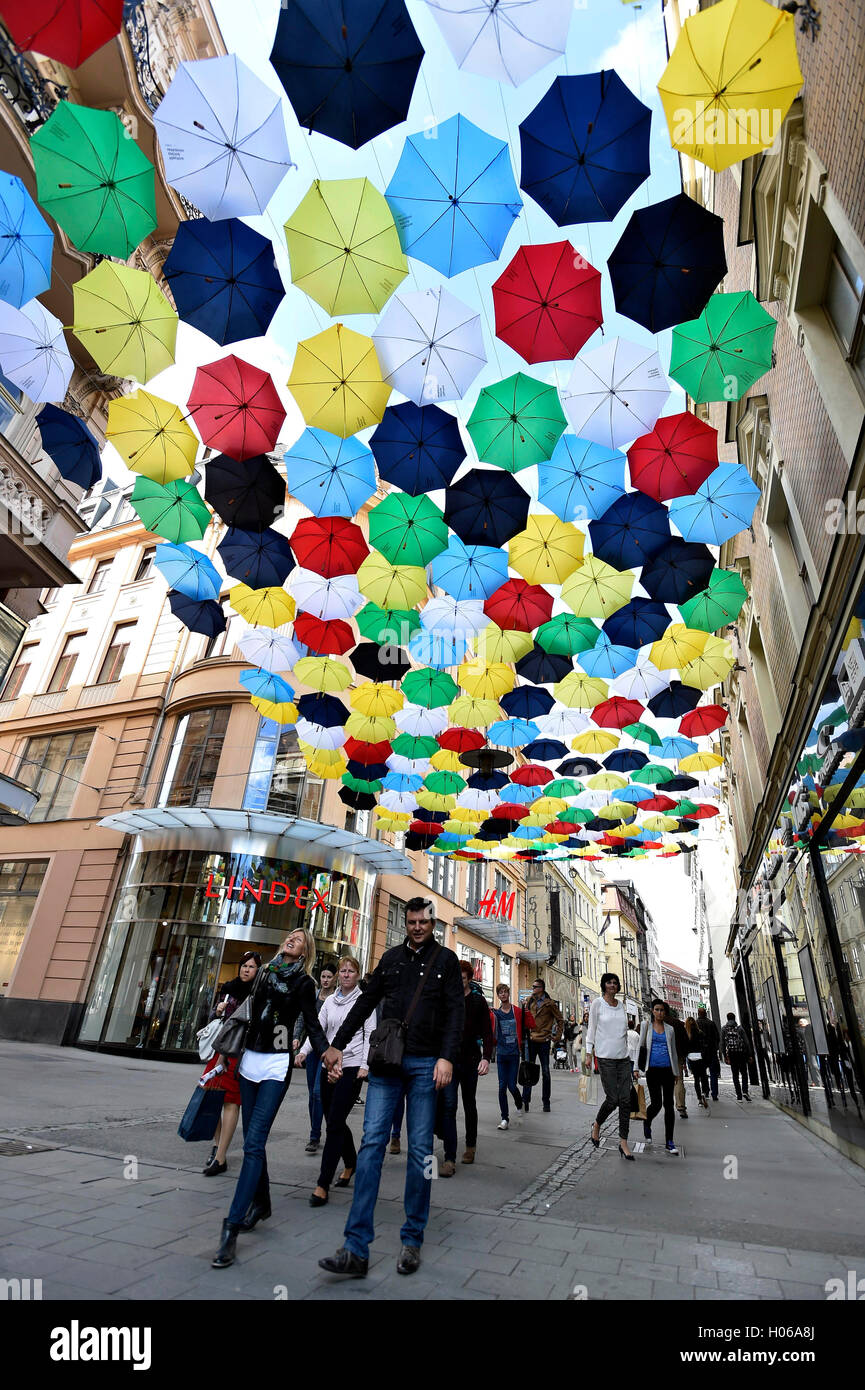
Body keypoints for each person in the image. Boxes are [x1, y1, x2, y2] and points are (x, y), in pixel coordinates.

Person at [318, 897, 464, 1279]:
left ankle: (412, 1238)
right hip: (386, 1064)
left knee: (419, 1150)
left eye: (423, 922)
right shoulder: (391, 959)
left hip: (423, 1064)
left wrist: (447, 1057)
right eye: (412, 921)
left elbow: (455, 1014)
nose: (417, 927)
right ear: (405, 922)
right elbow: (365, 1003)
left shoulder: (445, 961)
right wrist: (337, 1044)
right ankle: (355, 1248)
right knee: (370, 1147)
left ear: (433, 924)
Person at [211, 928, 329, 1270]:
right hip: (249, 1059)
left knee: (253, 1143)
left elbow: (311, 1023)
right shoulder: (265, 973)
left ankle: (230, 1227)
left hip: (277, 1064)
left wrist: (327, 1055)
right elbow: (243, 1007)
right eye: (290, 935)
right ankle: (261, 1203)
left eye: (299, 937)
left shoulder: (304, 984)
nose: (292, 938)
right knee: (253, 1142)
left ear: (305, 950)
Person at [298, 956, 370, 1208]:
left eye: (351, 971)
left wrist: (364, 1065)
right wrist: (304, 1052)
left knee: (335, 1122)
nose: (347, 975)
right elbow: (317, 1029)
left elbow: (370, 1034)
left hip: (351, 1068)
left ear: (358, 974)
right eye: (343, 971)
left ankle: (322, 1184)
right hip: (329, 1063)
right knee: (334, 1120)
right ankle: (351, 1162)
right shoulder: (330, 1000)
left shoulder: (364, 1001)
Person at [200, 952, 261, 1176]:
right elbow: (216, 1016)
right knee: (211, 1096)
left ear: (258, 970)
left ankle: (221, 1156)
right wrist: (216, 1012)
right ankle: (217, 1145)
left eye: (252, 966)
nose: (246, 969)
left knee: (231, 1102)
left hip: (240, 1051)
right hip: (220, 1049)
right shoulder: (228, 987)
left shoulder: (257, 992)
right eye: (244, 965)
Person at [440, 961, 493, 1172]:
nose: (458, 981)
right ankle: (449, 1157)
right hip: (450, 1060)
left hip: (471, 1060)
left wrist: (486, 1058)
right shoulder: (446, 1000)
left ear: (469, 979)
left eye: (461, 978)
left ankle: (470, 1145)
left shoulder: (478, 1002)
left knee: (469, 1103)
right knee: (449, 1106)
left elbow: (488, 1033)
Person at [586, 973, 634, 1159]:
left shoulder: (621, 1006)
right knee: (612, 1099)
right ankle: (597, 1124)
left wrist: (633, 1060)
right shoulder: (598, 1003)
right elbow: (591, 1028)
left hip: (623, 1057)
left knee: (626, 1101)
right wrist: (588, 1053)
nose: (612, 985)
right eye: (609, 982)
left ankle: (623, 1142)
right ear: (604, 985)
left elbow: (624, 1032)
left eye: (615, 983)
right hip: (605, 1057)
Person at [294, 963, 336, 1155]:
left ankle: (314, 1135)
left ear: (334, 978)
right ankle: (316, 1131)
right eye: (323, 976)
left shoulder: (337, 998)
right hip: (311, 1050)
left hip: (328, 1051)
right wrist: (296, 1036)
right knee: (312, 1093)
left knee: (319, 1093)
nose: (325, 980)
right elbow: (303, 1017)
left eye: (329, 976)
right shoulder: (314, 995)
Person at [637, 1000, 681, 1154]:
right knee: (656, 1104)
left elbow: (674, 1051)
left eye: (662, 1010)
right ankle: (647, 1121)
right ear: (652, 1011)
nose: (660, 1013)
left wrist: (676, 1071)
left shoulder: (670, 1029)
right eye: (657, 1010)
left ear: (665, 1012)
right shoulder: (646, 1026)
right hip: (653, 1070)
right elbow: (640, 1047)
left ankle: (670, 1141)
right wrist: (636, 1067)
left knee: (669, 1105)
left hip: (668, 1070)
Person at [490, 982, 532, 1129]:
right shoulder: (496, 1013)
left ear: (508, 993)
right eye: (500, 992)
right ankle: (504, 1119)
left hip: (514, 1053)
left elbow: (531, 1024)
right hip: (501, 1054)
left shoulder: (517, 1011)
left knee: (512, 1086)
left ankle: (519, 1102)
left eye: (505, 992)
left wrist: (525, 1008)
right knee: (502, 1087)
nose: (503, 994)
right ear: (498, 996)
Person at [521, 978, 564, 1113]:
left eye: (535, 986)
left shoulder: (550, 1004)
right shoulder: (529, 1001)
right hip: (531, 1040)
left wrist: (557, 1036)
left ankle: (546, 1102)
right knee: (528, 1071)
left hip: (544, 1041)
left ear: (542, 988)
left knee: (545, 1072)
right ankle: (525, 1100)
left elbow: (560, 1019)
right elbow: (523, 1019)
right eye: (533, 986)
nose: (533, 989)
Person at [721, 1012, 753, 1102]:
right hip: (741, 1053)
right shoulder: (739, 1028)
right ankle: (745, 1091)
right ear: (734, 1018)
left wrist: (725, 1055)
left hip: (732, 1054)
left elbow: (722, 1043)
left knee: (735, 1075)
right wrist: (749, 1054)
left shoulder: (724, 1029)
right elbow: (746, 1042)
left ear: (727, 1019)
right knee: (744, 1073)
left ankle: (739, 1095)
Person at [684, 1015, 710, 1109]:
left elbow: (685, 1048)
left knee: (696, 1079)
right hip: (700, 1057)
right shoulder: (700, 1033)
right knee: (703, 1076)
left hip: (691, 1058)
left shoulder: (687, 1034)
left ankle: (699, 1099)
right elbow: (705, 1045)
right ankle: (704, 1093)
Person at [698, 1005, 721, 1101]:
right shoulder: (711, 1023)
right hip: (711, 1051)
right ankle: (714, 1094)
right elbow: (717, 1037)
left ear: (699, 1014)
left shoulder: (696, 1024)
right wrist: (715, 1048)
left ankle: (705, 1091)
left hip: (701, 1052)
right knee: (713, 1073)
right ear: (706, 1014)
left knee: (703, 1073)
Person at [671, 1013, 691, 1119]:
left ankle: (667, 1106)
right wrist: (683, 1057)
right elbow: (685, 1041)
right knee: (678, 1081)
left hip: (661, 1058)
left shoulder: (657, 1023)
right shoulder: (678, 1024)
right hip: (677, 1057)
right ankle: (681, 1106)